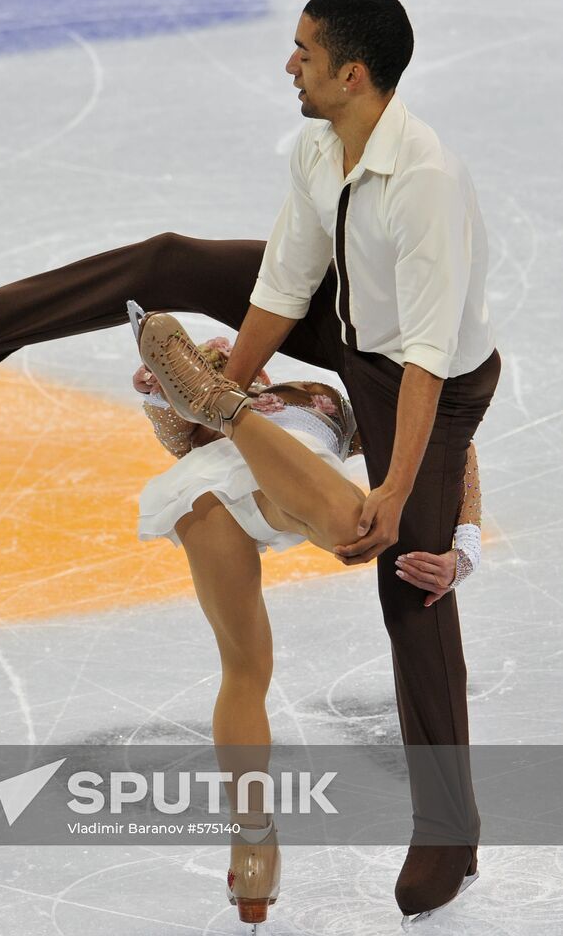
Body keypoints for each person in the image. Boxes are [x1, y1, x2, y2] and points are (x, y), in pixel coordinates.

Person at [0, 0, 500, 925]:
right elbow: (283, 280)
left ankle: (450, 832)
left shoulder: (427, 182)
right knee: (168, 260)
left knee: (410, 585)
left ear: (352, 74)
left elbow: (433, 356)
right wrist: (220, 396)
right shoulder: (323, 145)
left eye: (305, 53)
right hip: (352, 318)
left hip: (424, 382)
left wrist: (398, 487)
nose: (290, 64)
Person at [130, 323, 483, 926]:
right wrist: (160, 390)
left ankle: (231, 411)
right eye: (211, 358)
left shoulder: (328, 401)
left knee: (360, 527)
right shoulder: (190, 403)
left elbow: (454, 450)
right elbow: (174, 436)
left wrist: (465, 545)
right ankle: (253, 841)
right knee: (245, 666)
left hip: (284, 484)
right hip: (210, 487)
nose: (233, 354)